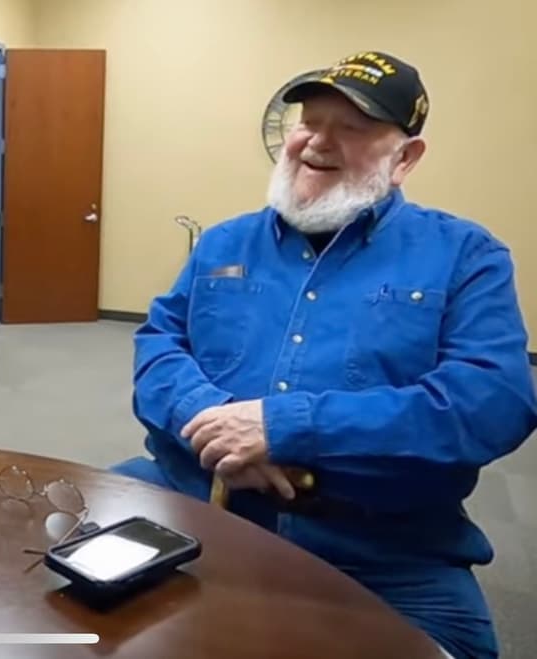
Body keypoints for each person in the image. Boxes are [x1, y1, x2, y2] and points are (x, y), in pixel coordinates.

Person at [114, 50, 536, 659]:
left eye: (352, 128)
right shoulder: (224, 243)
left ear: (405, 158)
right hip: (191, 503)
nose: (316, 142)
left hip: (380, 550)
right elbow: (160, 342)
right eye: (309, 121)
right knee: (52, 603)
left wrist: (285, 429)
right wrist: (217, 424)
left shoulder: (466, 255)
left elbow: (492, 402)